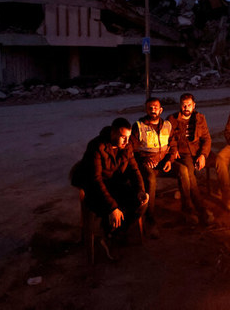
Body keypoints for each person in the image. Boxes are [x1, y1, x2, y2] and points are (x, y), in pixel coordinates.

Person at [69, 117, 149, 259]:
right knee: (111, 209)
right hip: (95, 188)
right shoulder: (96, 146)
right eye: (123, 137)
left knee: (141, 203)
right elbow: (95, 180)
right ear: (113, 133)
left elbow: (134, 170)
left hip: (114, 183)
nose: (126, 141)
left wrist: (141, 190)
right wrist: (112, 207)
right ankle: (110, 234)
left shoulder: (127, 146)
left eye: (128, 137)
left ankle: (112, 234)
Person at [130, 97, 181, 237]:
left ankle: (188, 210)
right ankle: (150, 219)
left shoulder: (167, 125)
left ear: (161, 110)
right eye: (150, 108)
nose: (153, 110)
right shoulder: (139, 126)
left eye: (156, 107)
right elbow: (131, 151)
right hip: (146, 164)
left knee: (183, 171)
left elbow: (173, 145)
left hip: (163, 162)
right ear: (146, 110)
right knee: (151, 179)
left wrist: (170, 160)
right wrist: (143, 160)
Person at [167, 93, 215, 225]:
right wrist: (173, 149)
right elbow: (168, 138)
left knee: (220, 161)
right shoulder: (172, 119)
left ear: (194, 105)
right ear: (180, 105)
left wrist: (203, 155)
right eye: (184, 105)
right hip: (183, 154)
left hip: (197, 152)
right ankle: (198, 208)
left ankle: (225, 200)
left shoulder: (200, 118)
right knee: (189, 174)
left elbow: (207, 138)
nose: (186, 107)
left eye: (189, 105)